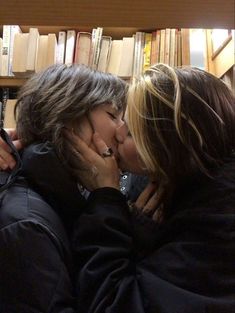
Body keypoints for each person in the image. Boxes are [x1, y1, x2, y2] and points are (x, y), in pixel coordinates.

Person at [66, 64, 235, 312]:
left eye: (133, 131)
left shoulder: (220, 221)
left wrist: (106, 198)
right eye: (119, 117)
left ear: (173, 145)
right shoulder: (177, 182)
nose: (118, 132)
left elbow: (113, 304)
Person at [0, 64, 127, 312]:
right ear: (67, 116)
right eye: (113, 115)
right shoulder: (27, 225)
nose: (122, 131)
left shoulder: (63, 193)